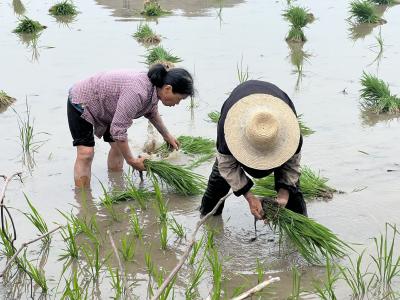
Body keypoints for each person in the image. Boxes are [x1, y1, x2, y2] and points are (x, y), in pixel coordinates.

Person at [67, 64, 194, 188]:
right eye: (179, 98)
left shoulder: (154, 89)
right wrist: (132, 161)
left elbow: (152, 112)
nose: (178, 103)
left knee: (118, 148)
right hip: (83, 101)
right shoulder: (137, 92)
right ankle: (83, 202)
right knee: (86, 153)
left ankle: (116, 186)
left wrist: (167, 136)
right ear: (168, 89)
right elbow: (118, 130)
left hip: (108, 106)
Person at [200, 80, 307, 219]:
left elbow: (292, 166)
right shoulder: (228, 131)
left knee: (294, 202)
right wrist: (250, 197)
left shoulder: (291, 135)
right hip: (239, 118)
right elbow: (226, 164)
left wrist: (284, 194)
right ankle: (208, 222)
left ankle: (301, 229)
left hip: (277, 118)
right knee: (216, 188)